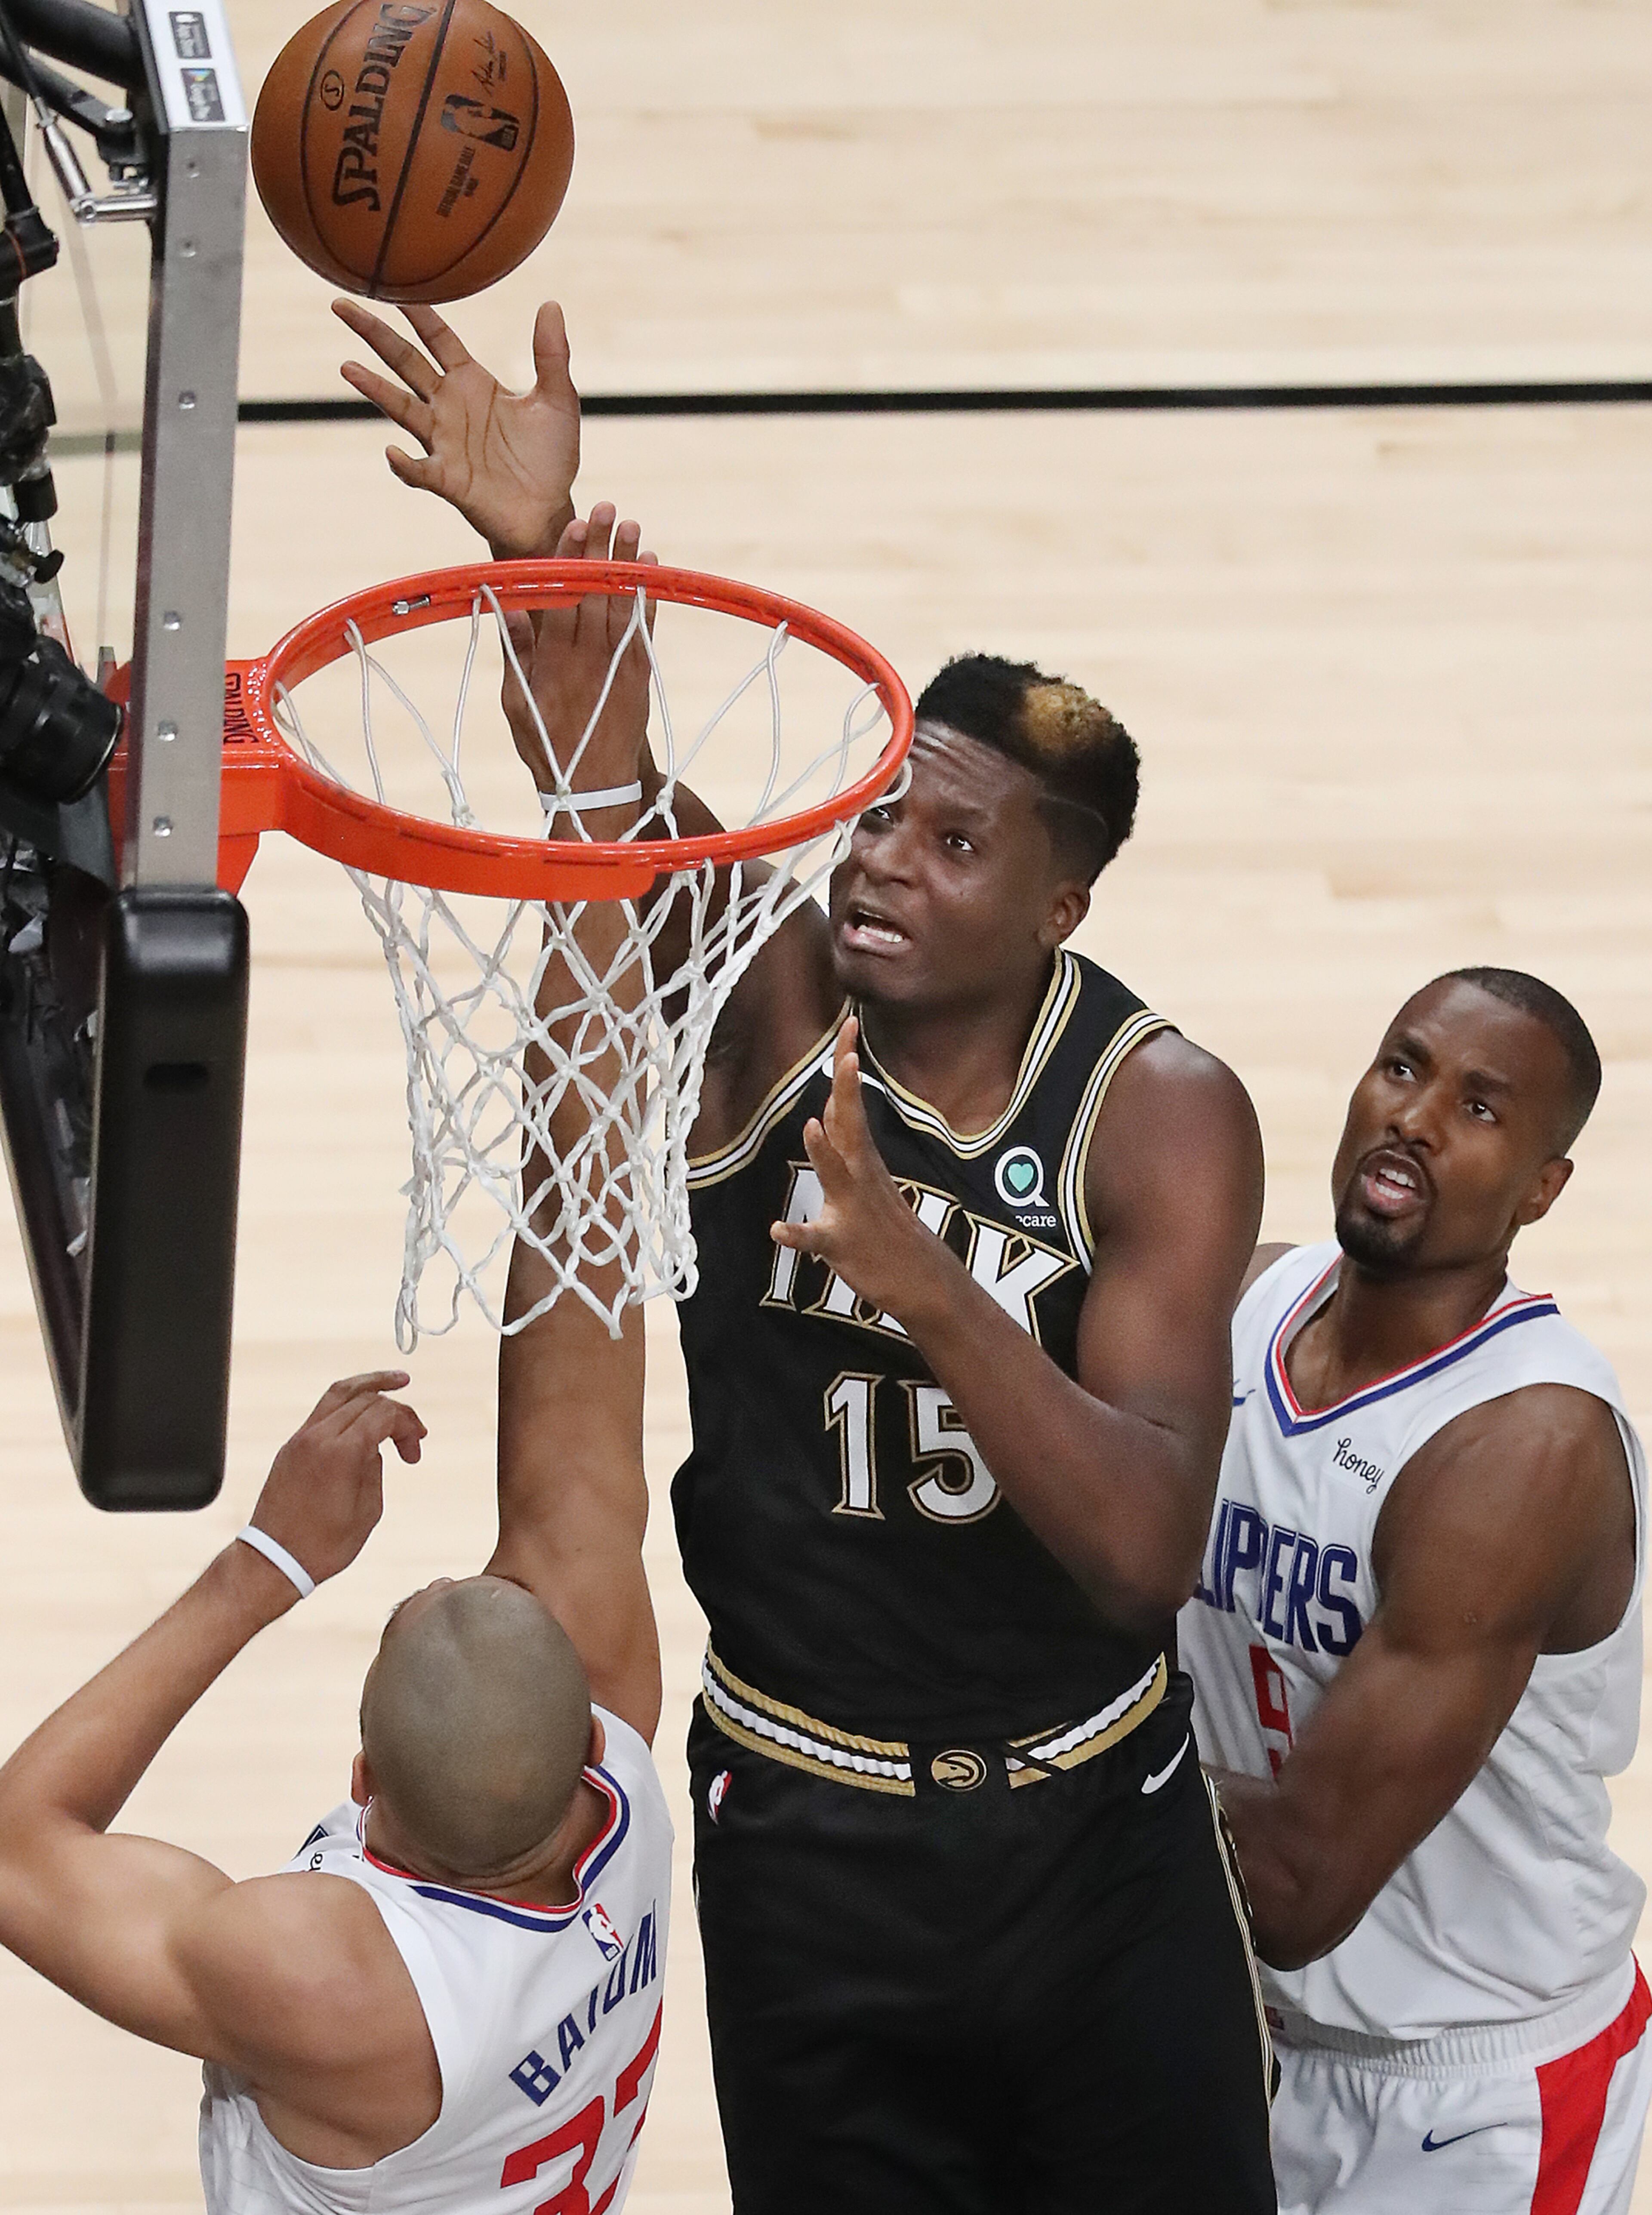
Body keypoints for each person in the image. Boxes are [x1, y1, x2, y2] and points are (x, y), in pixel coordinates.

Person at [339, 298, 1279, 2213]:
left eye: (955, 843)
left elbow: (1141, 1552)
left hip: (1097, 1828)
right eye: (882, 813)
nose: (881, 860)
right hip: (807, 1827)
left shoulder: (1160, 1111)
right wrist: (540, 547)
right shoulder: (769, 999)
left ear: (1062, 903)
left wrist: (922, 1276)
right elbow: (612, 798)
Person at [0, 566, 674, 2215]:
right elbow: (586, 1255)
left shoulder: (331, 1981)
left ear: (361, 1803)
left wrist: (272, 1561)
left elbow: (21, 1849)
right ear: (588, 1758)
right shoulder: (629, 1796)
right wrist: (590, 815)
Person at [1178, 968, 1650, 2215]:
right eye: (1404, 1067)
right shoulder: (1241, 1304)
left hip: (1475, 2093)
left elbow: (1300, 1887)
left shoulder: (1528, 1448)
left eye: (1480, 1108)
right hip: (1250, 2026)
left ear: (1542, 1190)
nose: (1417, 1119)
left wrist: (1018, 1767)